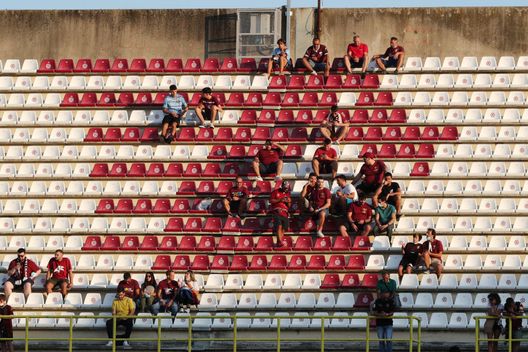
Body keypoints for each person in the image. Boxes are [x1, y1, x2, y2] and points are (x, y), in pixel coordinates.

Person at [270, 181, 291, 246]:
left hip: (285, 212)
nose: (286, 189)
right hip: (277, 211)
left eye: (287, 188)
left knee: (284, 228)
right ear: (282, 186)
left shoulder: (288, 194)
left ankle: (279, 242)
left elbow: (289, 206)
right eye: (285, 188)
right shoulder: (275, 192)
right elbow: (271, 200)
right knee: (279, 226)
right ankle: (280, 242)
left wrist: (289, 202)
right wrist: (280, 200)